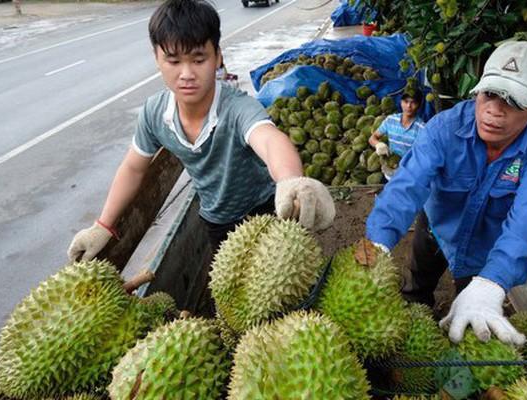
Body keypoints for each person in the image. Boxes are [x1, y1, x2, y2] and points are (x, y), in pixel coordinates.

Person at [68, 0, 335, 264]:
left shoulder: (236, 107)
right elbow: (133, 168)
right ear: (157, 58)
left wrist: (290, 181)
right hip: (215, 220)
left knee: (283, 277)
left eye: (198, 59)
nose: (186, 74)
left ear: (217, 56)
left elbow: (268, 140)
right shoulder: (154, 113)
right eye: (173, 61)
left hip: (266, 208)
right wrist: (103, 225)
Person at [366, 40, 527, 346]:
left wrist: (492, 282)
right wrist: (377, 243)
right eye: (489, 94)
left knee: (472, 327)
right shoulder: (444, 129)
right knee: (416, 285)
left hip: (485, 251)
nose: (493, 111)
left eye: (513, 101)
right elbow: (406, 186)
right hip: (436, 229)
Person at [368, 89, 425, 159]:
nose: (408, 106)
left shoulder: (422, 128)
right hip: (390, 163)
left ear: (419, 105)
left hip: (410, 168)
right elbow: (372, 138)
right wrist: (378, 144)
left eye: (413, 103)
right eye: (406, 101)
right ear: (401, 102)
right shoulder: (391, 120)